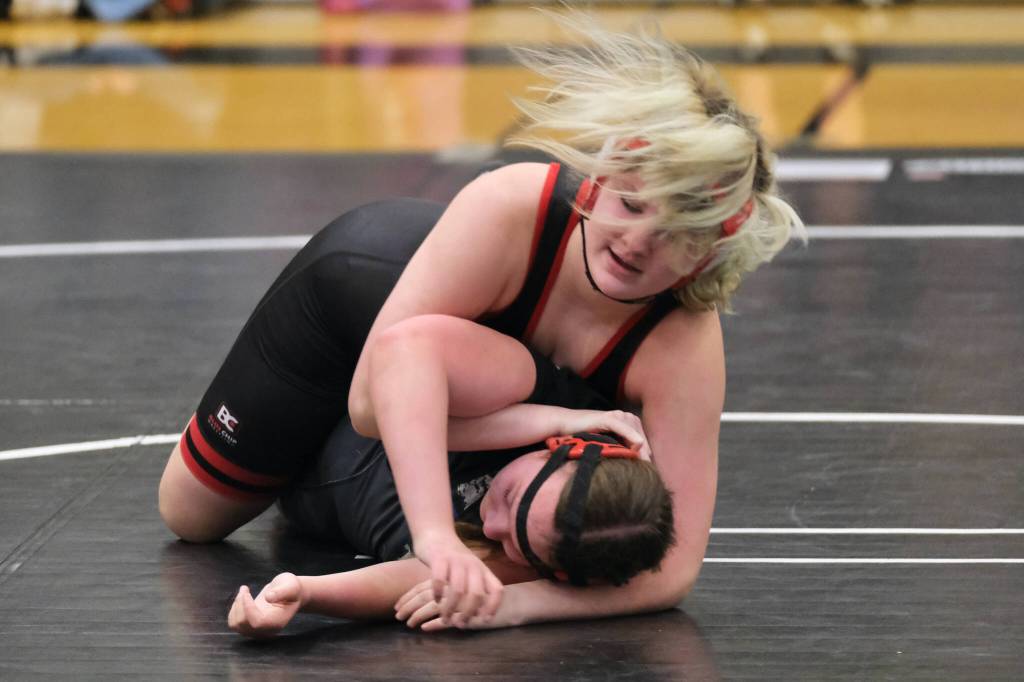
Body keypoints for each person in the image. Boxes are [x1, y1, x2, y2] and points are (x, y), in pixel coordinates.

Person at [159, 12, 804, 629]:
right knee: (192, 517)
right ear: (599, 178)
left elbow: (672, 568)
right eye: (632, 204)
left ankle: (336, 476)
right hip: (349, 313)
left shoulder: (681, 345)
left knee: (541, 540)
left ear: (709, 253)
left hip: (450, 387)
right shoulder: (510, 207)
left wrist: (517, 607)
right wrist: (444, 528)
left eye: (673, 236)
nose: (638, 242)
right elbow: (369, 407)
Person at [229, 432, 676, 638]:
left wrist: (306, 591)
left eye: (514, 543)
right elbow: (408, 361)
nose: (493, 525)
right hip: (327, 392)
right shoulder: (540, 387)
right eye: (509, 494)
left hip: (300, 476)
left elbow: (407, 581)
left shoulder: (521, 565)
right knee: (189, 516)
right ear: (563, 444)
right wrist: (550, 412)